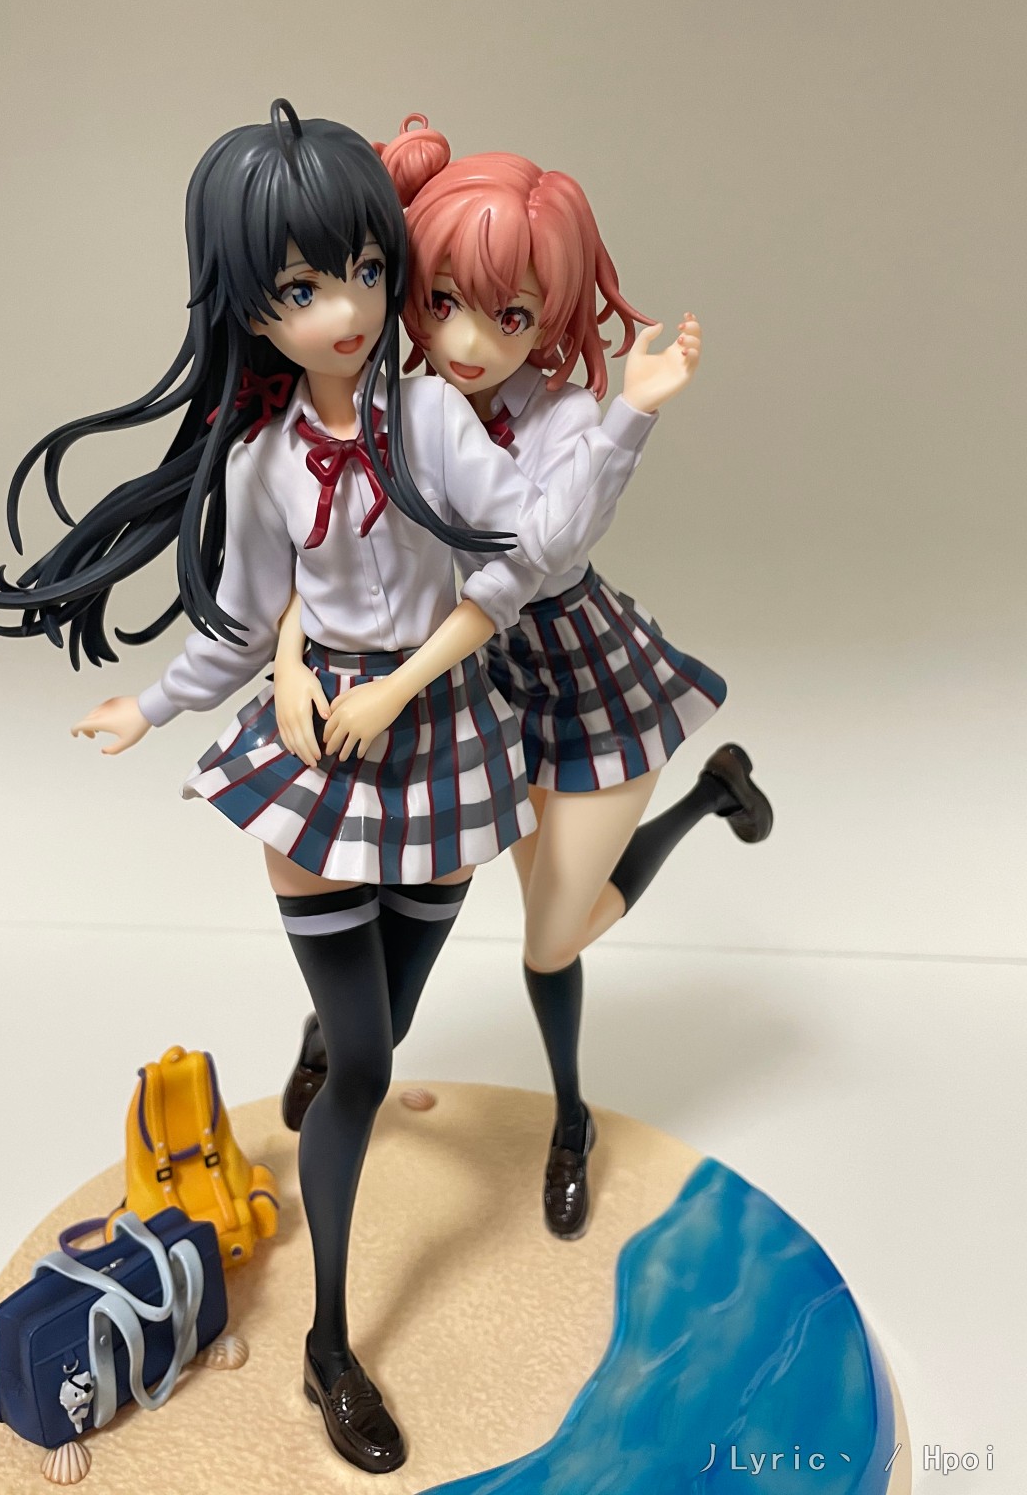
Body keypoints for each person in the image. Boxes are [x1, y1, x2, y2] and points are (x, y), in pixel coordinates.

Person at [0, 102, 668, 1474]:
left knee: (384, 1013)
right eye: (300, 289)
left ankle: (331, 1043)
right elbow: (236, 622)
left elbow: (529, 554)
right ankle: (330, 1343)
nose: (344, 311)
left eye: (366, 273)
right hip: (321, 752)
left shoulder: (434, 419)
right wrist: (155, 701)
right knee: (371, 1060)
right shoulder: (265, 462)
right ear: (249, 310)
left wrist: (624, 420)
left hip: (443, 743)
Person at [275, 115, 771, 1247]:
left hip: (578, 676)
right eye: (444, 299)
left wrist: (632, 411)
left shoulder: (561, 417)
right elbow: (325, 538)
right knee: (390, 881)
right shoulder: (394, 395)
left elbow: (546, 548)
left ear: (553, 317)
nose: (466, 340)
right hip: (471, 689)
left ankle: (571, 1119)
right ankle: (342, 1038)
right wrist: (292, 652)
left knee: (552, 936)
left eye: (510, 316)